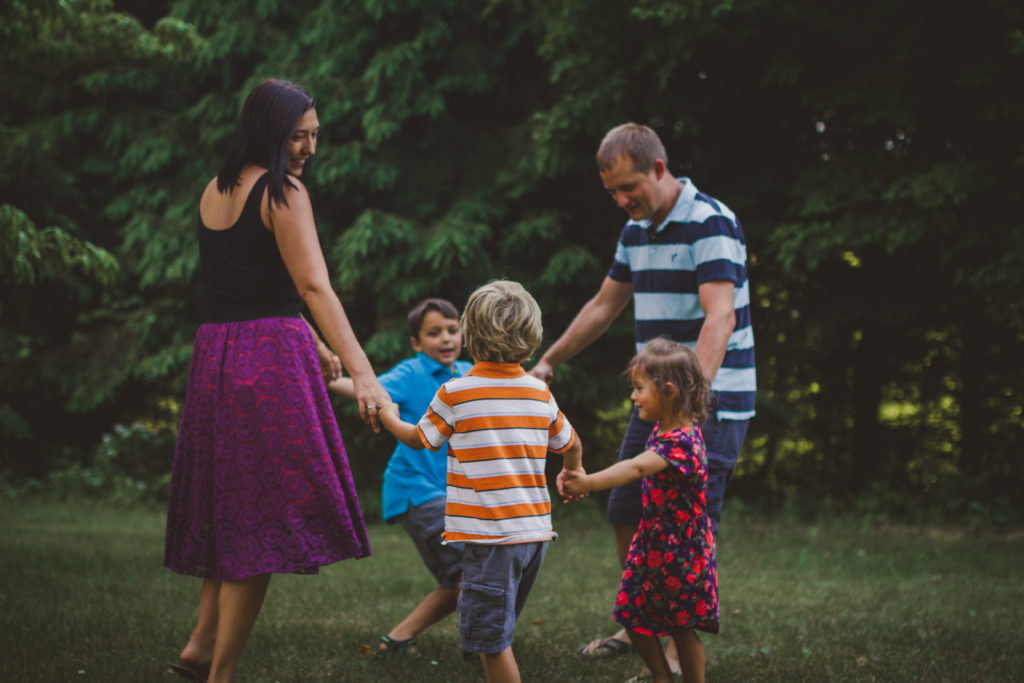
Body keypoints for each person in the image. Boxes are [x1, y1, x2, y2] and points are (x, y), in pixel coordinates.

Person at [163, 79, 391, 683]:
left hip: (216, 358)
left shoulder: (214, 190)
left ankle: (198, 643)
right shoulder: (281, 191)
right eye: (298, 135)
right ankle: (221, 674)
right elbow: (314, 286)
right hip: (265, 364)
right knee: (260, 524)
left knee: (231, 510)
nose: (309, 148)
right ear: (268, 130)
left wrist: (314, 344)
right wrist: (366, 375)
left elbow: (250, 284)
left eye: (315, 135)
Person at [530, 122, 754, 666]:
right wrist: (550, 360)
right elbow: (605, 306)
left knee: (691, 525)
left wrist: (689, 408)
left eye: (629, 187)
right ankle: (638, 625)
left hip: (708, 400)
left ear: (659, 168)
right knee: (626, 506)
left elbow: (719, 317)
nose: (621, 199)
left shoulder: (710, 221)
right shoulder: (636, 232)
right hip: (658, 399)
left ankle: (680, 651)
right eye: (611, 191)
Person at [378, 280, 583, 683]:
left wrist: (387, 412)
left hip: (491, 542)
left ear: (469, 335)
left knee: (491, 643)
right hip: (535, 537)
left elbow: (421, 438)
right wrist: (573, 472)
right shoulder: (538, 392)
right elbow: (571, 443)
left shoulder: (456, 392)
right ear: (532, 337)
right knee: (495, 629)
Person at [561, 338, 718, 683]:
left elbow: (635, 468)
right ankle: (661, 676)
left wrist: (587, 483)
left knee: (681, 628)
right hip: (653, 545)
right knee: (631, 615)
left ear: (670, 391)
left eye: (639, 388)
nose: (633, 396)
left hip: (680, 550)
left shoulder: (682, 442)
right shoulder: (662, 428)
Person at [325, 298, 473, 654]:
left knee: (462, 581)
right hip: (415, 490)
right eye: (434, 333)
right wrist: (330, 381)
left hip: (451, 494)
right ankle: (484, 648)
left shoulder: (469, 372)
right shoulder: (411, 374)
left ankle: (397, 641)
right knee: (470, 572)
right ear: (417, 343)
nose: (446, 339)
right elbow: (370, 390)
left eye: (453, 330)